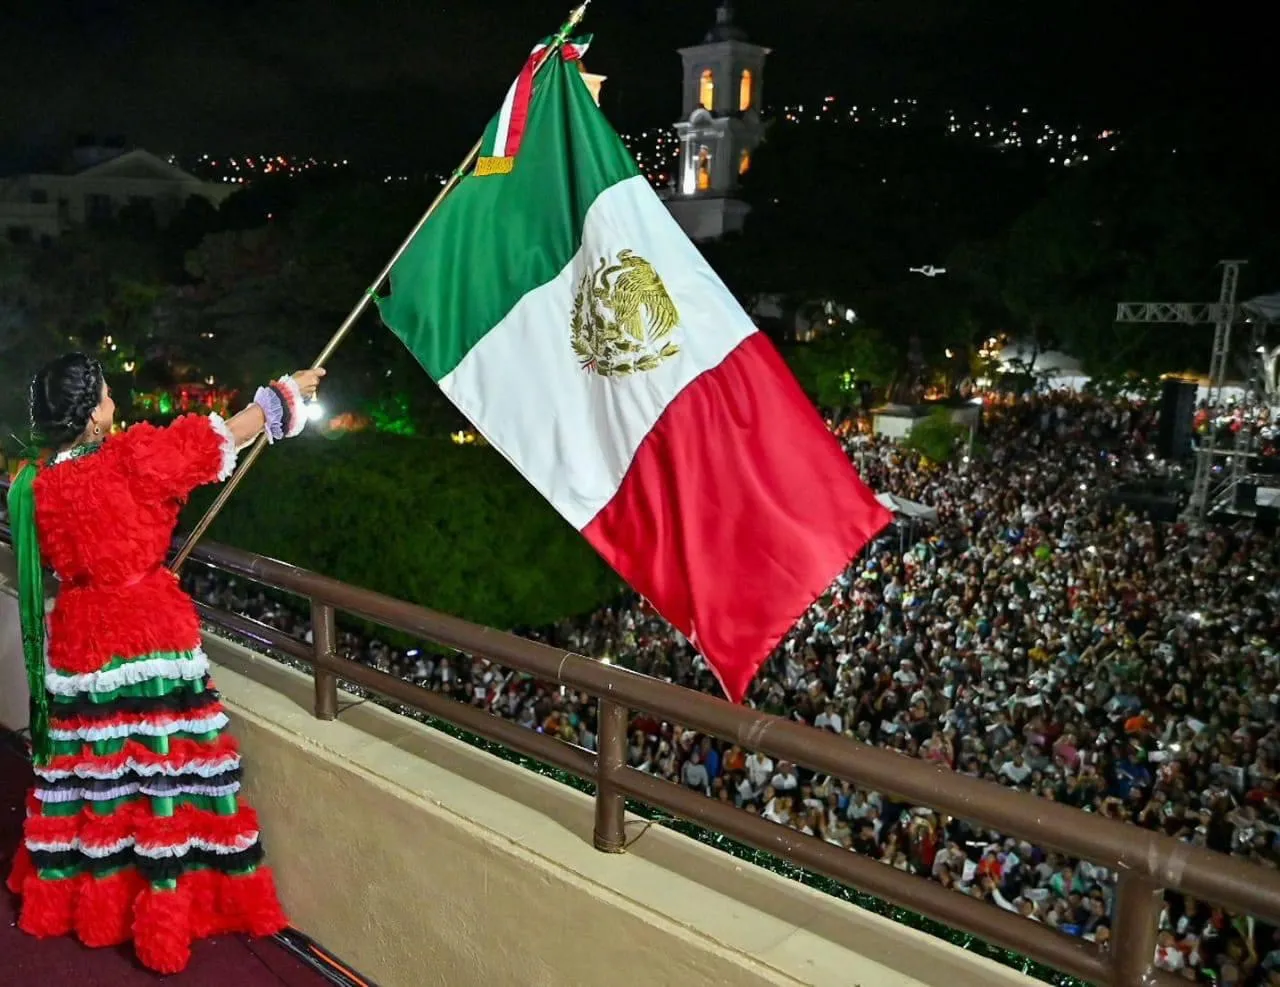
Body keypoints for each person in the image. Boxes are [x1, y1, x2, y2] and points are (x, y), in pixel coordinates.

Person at [4, 353, 325, 974]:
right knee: (161, 773)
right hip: (144, 630)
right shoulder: (130, 460)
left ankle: (92, 900)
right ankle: (164, 905)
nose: (115, 406)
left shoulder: (38, 485)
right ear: (91, 413)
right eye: (106, 397)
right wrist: (286, 393)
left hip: (81, 629)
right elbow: (224, 434)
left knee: (96, 771)